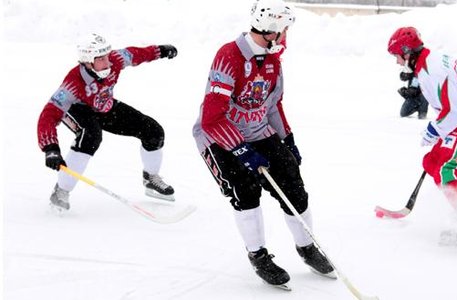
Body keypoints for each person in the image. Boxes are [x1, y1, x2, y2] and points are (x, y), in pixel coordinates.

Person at [192, 0, 334, 288]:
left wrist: (287, 139)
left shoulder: (272, 60)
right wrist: (241, 150)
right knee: (245, 190)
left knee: (292, 182)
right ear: (272, 30)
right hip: (220, 136)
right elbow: (211, 118)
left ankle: (306, 247)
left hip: (259, 131)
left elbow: (273, 106)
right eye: (285, 31)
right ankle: (258, 255)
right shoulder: (228, 56)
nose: (287, 38)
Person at [37, 33, 178, 212]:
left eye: (107, 56)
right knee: (91, 136)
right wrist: (51, 149)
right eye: (102, 59)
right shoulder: (73, 83)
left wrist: (160, 51)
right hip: (76, 109)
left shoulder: (115, 60)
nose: (108, 62)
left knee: (153, 131)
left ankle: (151, 178)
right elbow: (48, 115)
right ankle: (61, 191)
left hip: (104, 105)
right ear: (88, 61)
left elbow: (135, 54)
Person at [387, 27, 457, 247]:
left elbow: (453, 112)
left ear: (408, 53)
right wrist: (440, 129)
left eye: (398, 56)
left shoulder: (431, 71)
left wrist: (434, 130)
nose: (398, 62)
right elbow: (450, 106)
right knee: (432, 161)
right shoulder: (428, 62)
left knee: (449, 168)